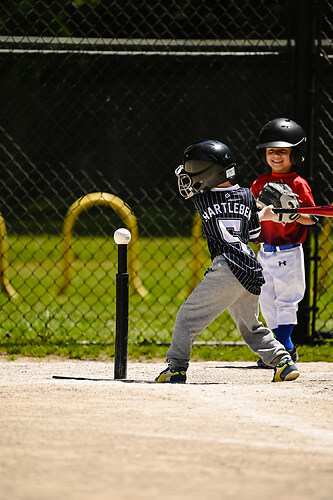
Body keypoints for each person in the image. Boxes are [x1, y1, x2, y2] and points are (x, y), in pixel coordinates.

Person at [155, 139, 300, 383]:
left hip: (227, 267)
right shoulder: (246, 195)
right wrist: (263, 213)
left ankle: (176, 367)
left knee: (187, 317)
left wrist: (258, 212)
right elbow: (253, 235)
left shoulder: (202, 200)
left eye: (194, 171)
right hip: (252, 267)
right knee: (250, 325)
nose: (190, 177)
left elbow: (217, 204)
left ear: (210, 174)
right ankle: (283, 361)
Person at [250, 118, 317, 368]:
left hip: (288, 252)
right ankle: (277, 349)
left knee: (286, 300)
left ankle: (285, 346)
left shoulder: (299, 184)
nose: (276, 156)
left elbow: (312, 218)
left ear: (295, 154)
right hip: (264, 251)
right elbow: (250, 211)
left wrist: (293, 212)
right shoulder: (259, 182)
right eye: (271, 151)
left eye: (283, 151)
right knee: (266, 299)